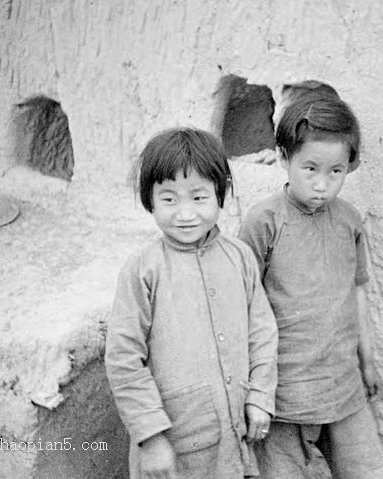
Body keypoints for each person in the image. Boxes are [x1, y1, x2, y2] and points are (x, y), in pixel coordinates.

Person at [105, 127, 278, 479]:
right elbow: (124, 358)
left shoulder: (240, 257)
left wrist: (260, 395)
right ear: (149, 200)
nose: (185, 214)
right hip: (173, 447)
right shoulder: (142, 270)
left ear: (219, 195)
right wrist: (151, 438)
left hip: (233, 439)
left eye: (198, 198)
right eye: (169, 199)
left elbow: (262, 332)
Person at [238, 95, 383, 478]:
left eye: (335, 171)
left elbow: (357, 293)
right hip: (284, 394)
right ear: (283, 156)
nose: (322, 184)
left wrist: (367, 362)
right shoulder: (264, 222)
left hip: (343, 387)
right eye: (310, 169)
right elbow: (243, 306)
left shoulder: (349, 221)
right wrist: (253, 389)